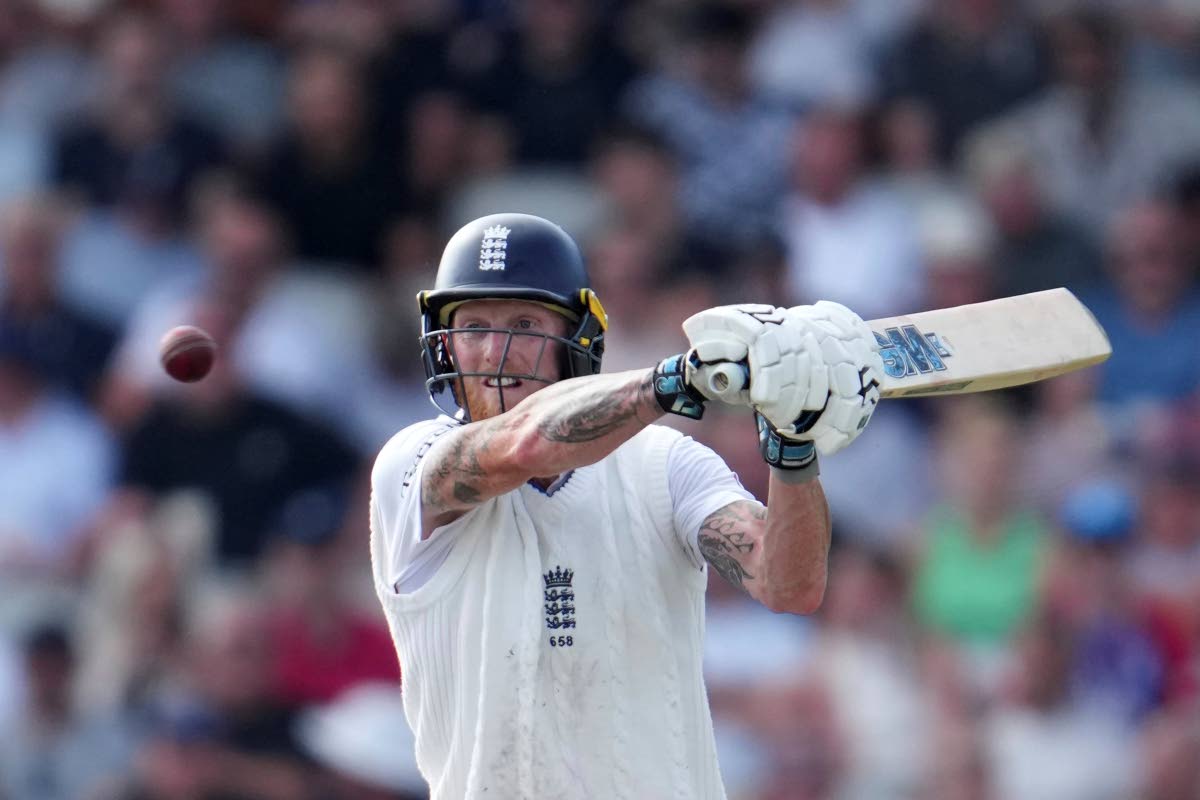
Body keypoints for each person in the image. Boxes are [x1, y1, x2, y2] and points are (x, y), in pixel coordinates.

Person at [368, 213, 883, 796]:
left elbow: (790, 585)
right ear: (445, 343)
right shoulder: (413, 466)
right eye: (474, 325)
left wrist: (793, 442)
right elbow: (526, 443)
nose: (495, 351)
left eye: (524, 324)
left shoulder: (665, 462)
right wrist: (679, 381)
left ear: (575, 342)